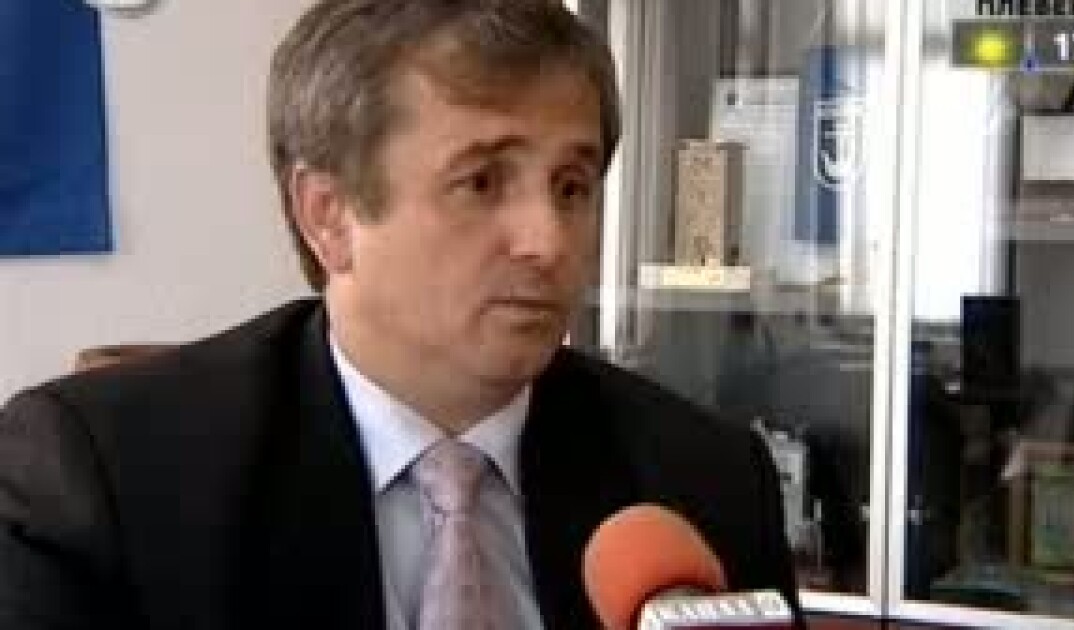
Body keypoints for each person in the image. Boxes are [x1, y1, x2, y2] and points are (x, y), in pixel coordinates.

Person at [0, 1, 798, 628]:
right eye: (482, 181)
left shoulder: (702, 481)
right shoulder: (106, 479)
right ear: (329, 215)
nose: (549, 241)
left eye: (572, 187)